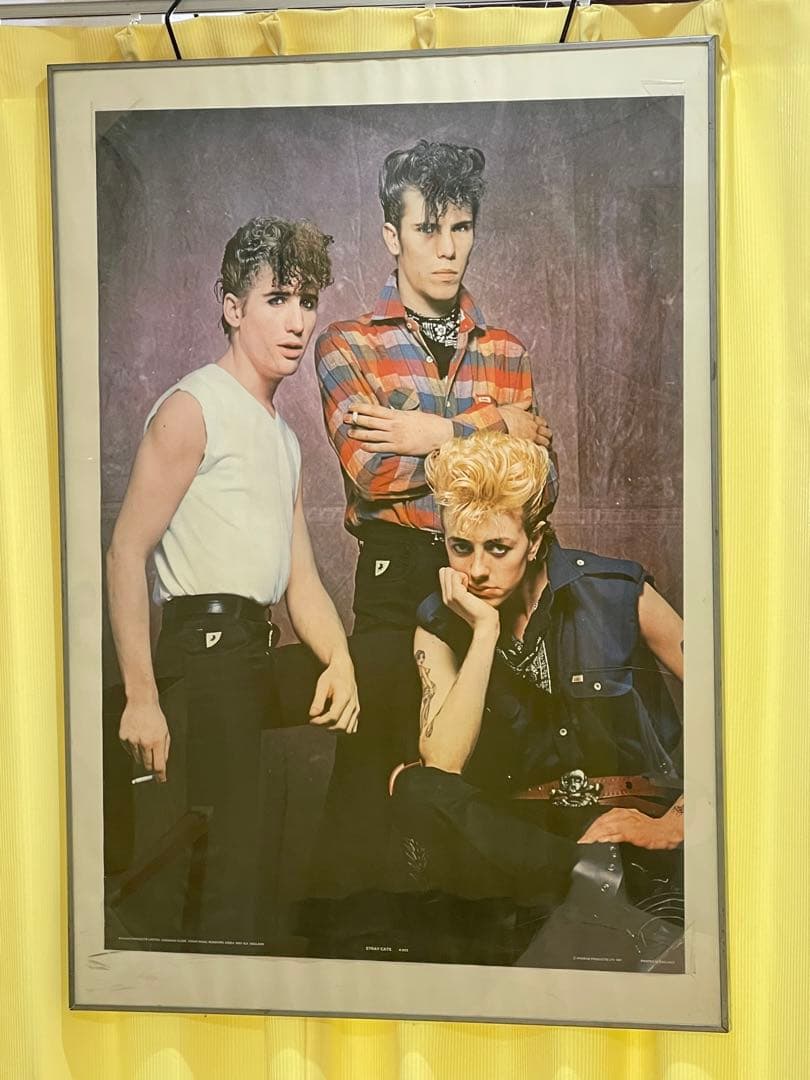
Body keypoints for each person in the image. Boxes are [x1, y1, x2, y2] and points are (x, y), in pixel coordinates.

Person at [106, 216, 359, 949]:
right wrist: (142, 698)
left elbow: (302, 583)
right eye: (277, 299)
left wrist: (341, 660)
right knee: (217, 888)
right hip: (201, 658)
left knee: (246, 884)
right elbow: (125, 552)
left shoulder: (282, 437)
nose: (298, 322)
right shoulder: (193, 407)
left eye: (307, 301)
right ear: (232, 307)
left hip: (251, 655)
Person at [389, 432, 685, 968]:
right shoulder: (439, 623)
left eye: (498, 548)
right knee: (415, 784)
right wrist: (483, 632)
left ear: (536, 539)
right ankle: (581, 879)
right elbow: (444, 764)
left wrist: (678, 821)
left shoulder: (618, 591)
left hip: (630, 826)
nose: (477, 570)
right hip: (527, 843)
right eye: (460, 547)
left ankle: (593, 889)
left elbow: (734, 705)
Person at [315, 139, 555, 634]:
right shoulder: (347, 345)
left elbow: (541, 483)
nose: (447, 249)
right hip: (395, 578)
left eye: (460, 228)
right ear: (392, 236)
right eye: (427, 229)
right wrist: (495, 426)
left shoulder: (506, 351)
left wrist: (432, 434)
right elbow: (374, 473)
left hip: (493, 579)